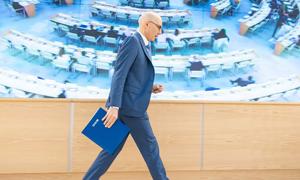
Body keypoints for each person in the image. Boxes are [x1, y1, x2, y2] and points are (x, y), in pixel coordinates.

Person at [83, 12, 169, 180]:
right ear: (147, 24)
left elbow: (132, 77)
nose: (160, 31)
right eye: (159, 27)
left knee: (110, 150)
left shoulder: (143, 45)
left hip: (127, 106)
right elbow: (119, 74)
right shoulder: (133, 41)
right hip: (131, 109)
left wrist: (150, 88)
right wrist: (114, 107)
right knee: (151, 150)